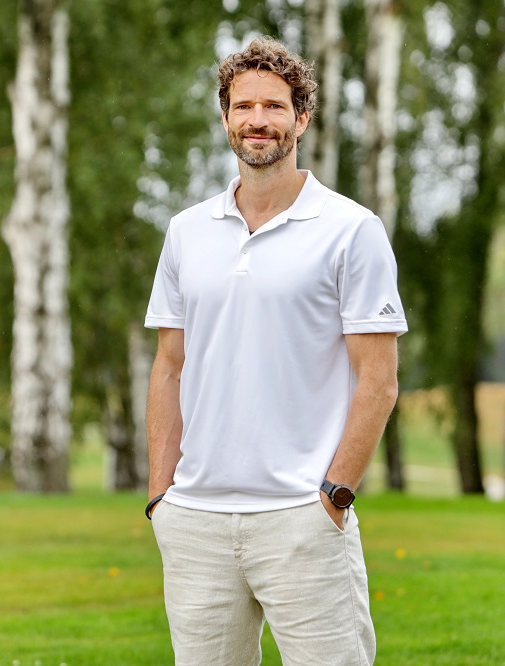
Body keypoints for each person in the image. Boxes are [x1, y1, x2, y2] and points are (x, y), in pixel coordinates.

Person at [144, 36, 407, 666]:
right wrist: (162, 495)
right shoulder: (186, 232)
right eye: (243, 107)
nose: (257, 120)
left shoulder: (352, 229)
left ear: (302, 117)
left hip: (303, 519)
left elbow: (379, 379)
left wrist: (334, 496)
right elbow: (170, 365)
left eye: (274, 106)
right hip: (197, 519)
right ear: (226, 117)